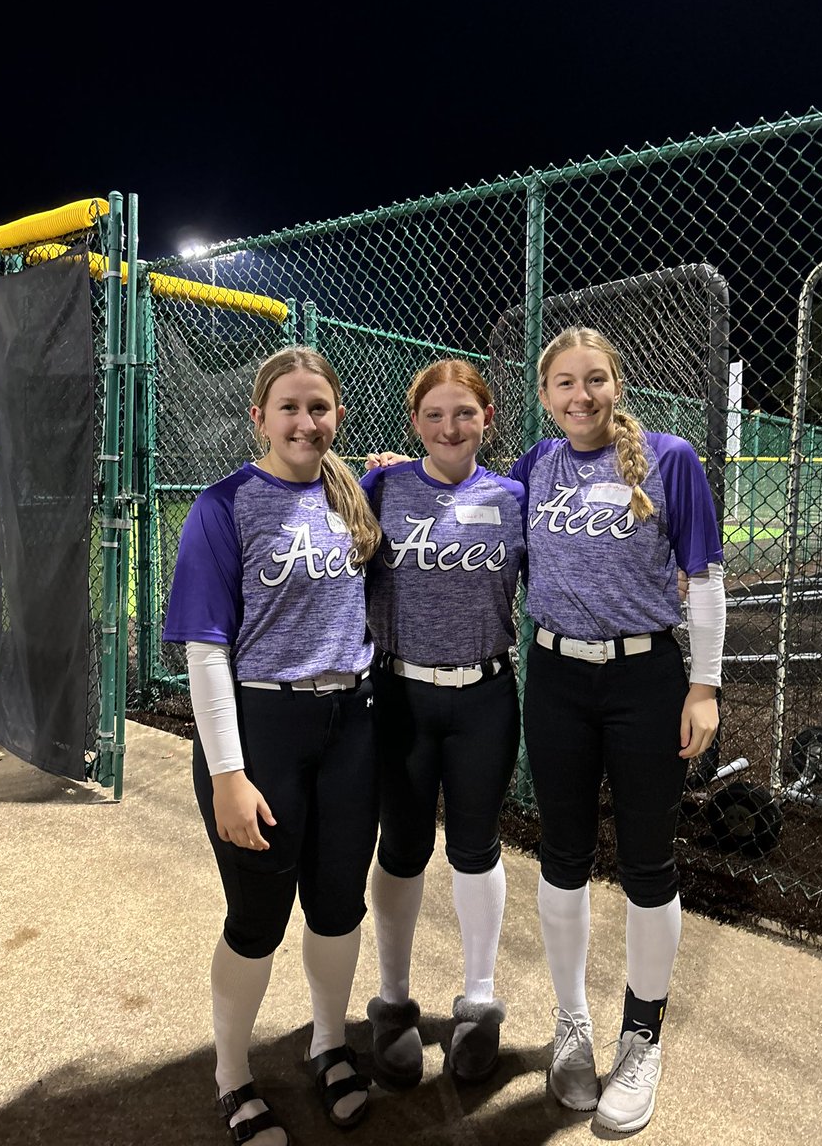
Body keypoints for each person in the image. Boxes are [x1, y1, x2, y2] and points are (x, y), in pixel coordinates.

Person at [163, 347, 383, 1145]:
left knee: (336, 905)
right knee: (257, 916)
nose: (304, 421)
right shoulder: (222, 505)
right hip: (261, 732)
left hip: (350, 727)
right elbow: (206, 650)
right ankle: (233, 1075)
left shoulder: (351, 494)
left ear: (338, 418)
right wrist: (227, 772)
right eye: (288, 407)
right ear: (258, 417)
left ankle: (329, 1044)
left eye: (318, 407)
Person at [509, 326, 725, 1133]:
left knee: (646, 858)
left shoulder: (670, 459)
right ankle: (572, 1023)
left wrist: (702, 685)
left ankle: (643, 1034)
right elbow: (464, 502)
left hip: (646, 680)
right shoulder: (535, 466)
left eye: (594, 379)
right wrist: (396, 473)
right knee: (561, 852)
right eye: (563, 383)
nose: (580, 396)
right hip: (557, 676)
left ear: (617, 383)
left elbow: (704, 580)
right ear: (544, 395)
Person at [361, 359, 527, 1085]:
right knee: (401, 847)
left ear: (486, 418)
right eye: (434, 415)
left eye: (464, 413)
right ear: (414, 423)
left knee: (476, 848)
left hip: (485, 695)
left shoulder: (516, 497)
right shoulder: (383, 486)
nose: (449, 427)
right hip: (401, 694)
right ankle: (392, 1002)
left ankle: (480, 1000)